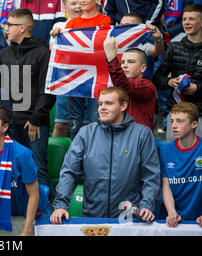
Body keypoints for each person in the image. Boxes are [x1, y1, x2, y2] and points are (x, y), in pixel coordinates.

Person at [50, 87, 160, 222]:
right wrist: (61, 205)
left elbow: (151, 175)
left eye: (109, 103)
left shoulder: (142, 134)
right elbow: (70, 172)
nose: (102, 108)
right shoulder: (86, 133)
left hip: (129, 219)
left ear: (123, 106)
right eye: (100, 104)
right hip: (93, 219)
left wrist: (147, 205)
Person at [0, 8, 55, 187]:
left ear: (22, 28)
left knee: (37, 169)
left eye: (9, 25)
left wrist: (36, 119)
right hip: (9, 123)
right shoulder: (4, 54)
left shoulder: (43, 53)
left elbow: (48, 90)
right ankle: (17, 210)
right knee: (12, 170)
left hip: (34, 125)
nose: (6, 28)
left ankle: (44, 212)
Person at [0, 104, 46, 235]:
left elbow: (34, 195)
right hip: (3, 216)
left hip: (30, 217)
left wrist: (27, 230)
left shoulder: (22, 154)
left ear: (4, 127)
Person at [52, 0, 111, 140]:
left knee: (95, 118)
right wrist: (58, 34)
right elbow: (65, 49)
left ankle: (95, 155)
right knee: (75, 122)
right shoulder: (71, 23)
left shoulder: (105, 21)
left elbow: (101, 46)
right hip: (74, 77)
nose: (82, 0)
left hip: (96, 78)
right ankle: (76, 155)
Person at [153, 4, 202, 141]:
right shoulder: (174, 47)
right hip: (176, 114)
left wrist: (197, 88)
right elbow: (157, 78)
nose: (186, 22)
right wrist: (169, 81)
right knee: (173, 156)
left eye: (191, 19)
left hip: (200, 114)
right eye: (184, 19)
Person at [157, 102, 202, 227]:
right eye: (172, 121)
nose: (174, 126)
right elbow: (166, 184)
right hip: (173, 218)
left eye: (180, 121)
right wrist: (171, 212)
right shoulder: (165, 150)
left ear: (194, 124)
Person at [104, 38, 157, 130]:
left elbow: (124, 85)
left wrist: (112, 58)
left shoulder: (147, 86)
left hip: (138, 140)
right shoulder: (118, 86)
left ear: (143, 68)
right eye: (122, 62)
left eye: (131, 62)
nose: (124, 65)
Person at [50, 0, 82, 138]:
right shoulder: (60, 27)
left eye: (81, 2)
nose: (78, 6)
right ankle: (58, 160)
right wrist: (57, 38)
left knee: (86, 124)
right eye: (73, 3)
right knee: (61, 124)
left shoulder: (93, 26)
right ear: (65, 7)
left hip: (85, 80)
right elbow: (52, 50)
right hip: (65, 81)